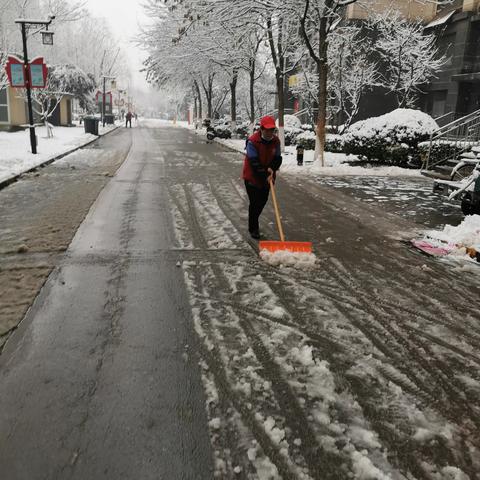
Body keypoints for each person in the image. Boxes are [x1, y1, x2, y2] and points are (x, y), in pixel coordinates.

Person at [242, 115, 282, 240]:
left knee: (262, 202)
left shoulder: (276, 141)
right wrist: (265, 174)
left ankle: (254, 220)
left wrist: (272, 167)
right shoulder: (253, 141)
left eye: (272, 130)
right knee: (254, 203)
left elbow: (278, 158)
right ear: (262, 129)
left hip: (267, 177)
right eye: (267, 130)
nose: (270, 133)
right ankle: (253, 228)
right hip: (252, 177)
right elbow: (253, 162)